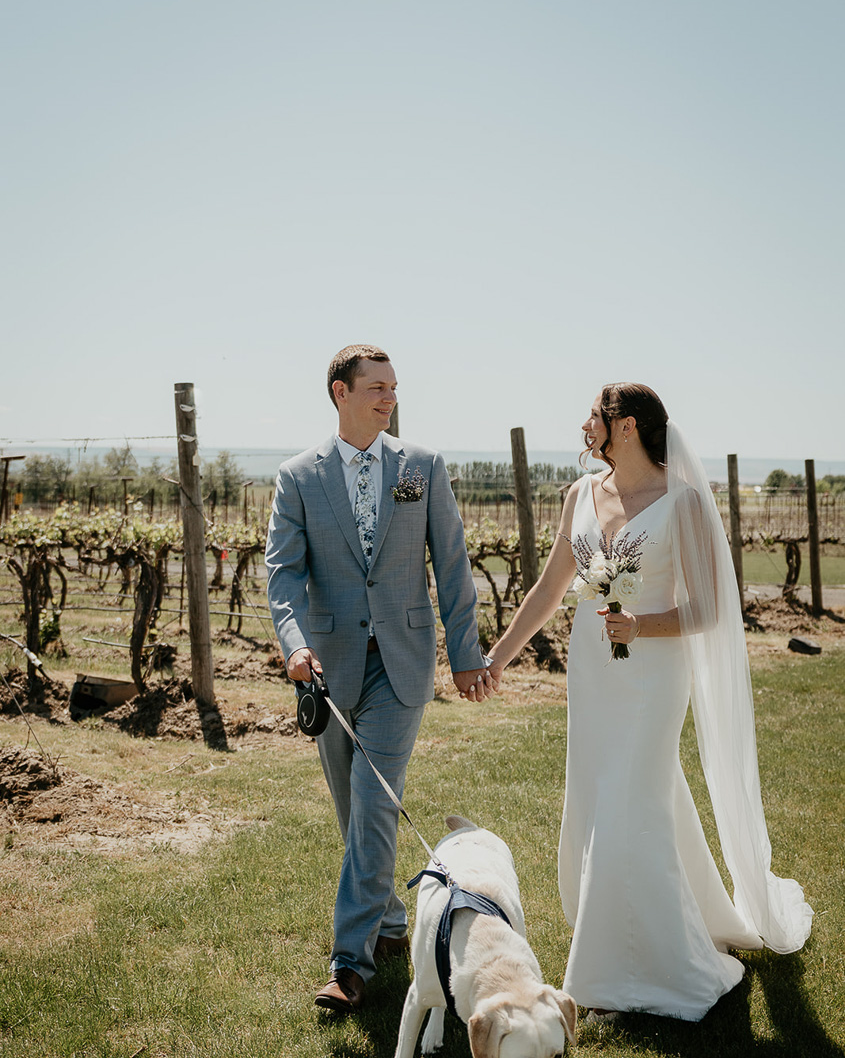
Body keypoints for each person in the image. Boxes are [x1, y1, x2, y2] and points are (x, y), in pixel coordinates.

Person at [487, 384, 812, 1022]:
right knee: (605, 792)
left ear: (625, 426)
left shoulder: (682, 502)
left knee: (631, 799)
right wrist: (498, 654)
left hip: (654, 672)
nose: (584, 426)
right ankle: (647, 926)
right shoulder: (581, 494)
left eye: (594, 417)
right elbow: (553, 585)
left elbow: (712, 608)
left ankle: (621, 973)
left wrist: (640, 626)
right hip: (593, 671)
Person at [266, 343, 494, 1014]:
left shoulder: (421, 466)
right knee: (353, 808)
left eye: (392, 386)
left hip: (402, 658)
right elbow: (282, 571)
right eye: (375, 386)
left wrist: (464, 652)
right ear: (340, 392)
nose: (388, 396)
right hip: (327, 666)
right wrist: (294, 645)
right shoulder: (297, 477)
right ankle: (391, 920)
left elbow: (449, 563)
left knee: (371, 797)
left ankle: (348, 963)